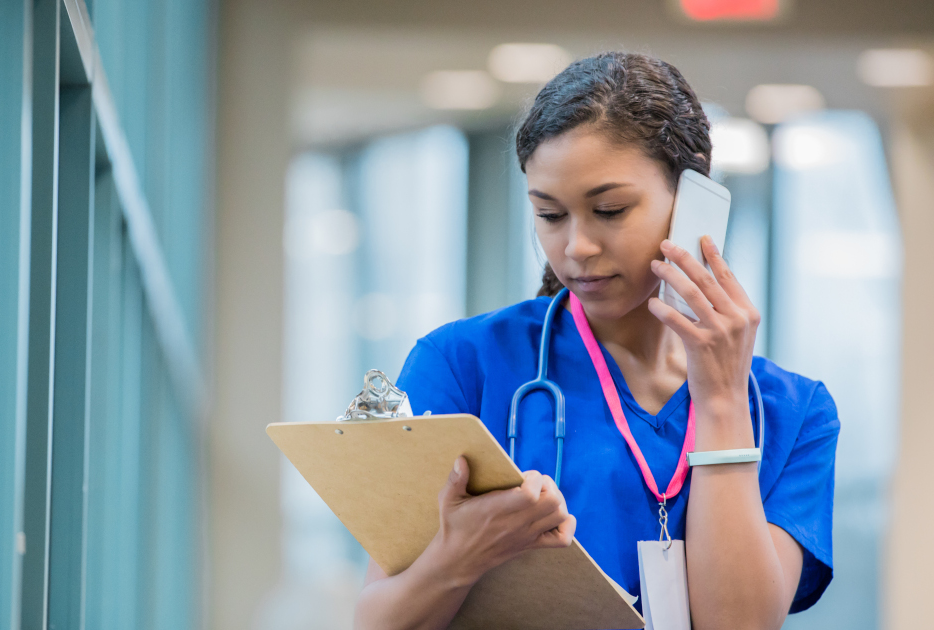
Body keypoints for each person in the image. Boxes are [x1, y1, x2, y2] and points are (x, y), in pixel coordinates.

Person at [353, 52, 838, 630]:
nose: (576, 247)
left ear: (693, 203)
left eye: (609, 210)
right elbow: (377, 622)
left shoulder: (792, 413)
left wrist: (722, 399)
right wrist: (461, 556)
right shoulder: (463, 365)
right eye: (550, 215)